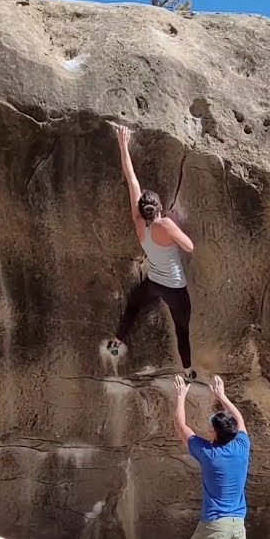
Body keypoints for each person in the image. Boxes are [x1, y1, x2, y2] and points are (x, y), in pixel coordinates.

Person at [107, 124, 197, 379]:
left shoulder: (138, 223)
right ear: (159, 207)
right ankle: (188, 370)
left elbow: (131, 179)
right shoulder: (166, 224)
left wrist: (123, 145)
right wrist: (175, 229)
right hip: (175, 288)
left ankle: (116, 342)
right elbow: (189, 246)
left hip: (155, 283)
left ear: (143, 209)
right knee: (182, 329)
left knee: (133, 306)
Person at [171, 374, 252, 539]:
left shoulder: (208, 453)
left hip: (214, 525)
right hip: (238, 526)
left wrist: (181, 396)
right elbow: (240, 421)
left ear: (215, 433)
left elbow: (180, 426)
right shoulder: (243, 446)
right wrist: (223, 396)